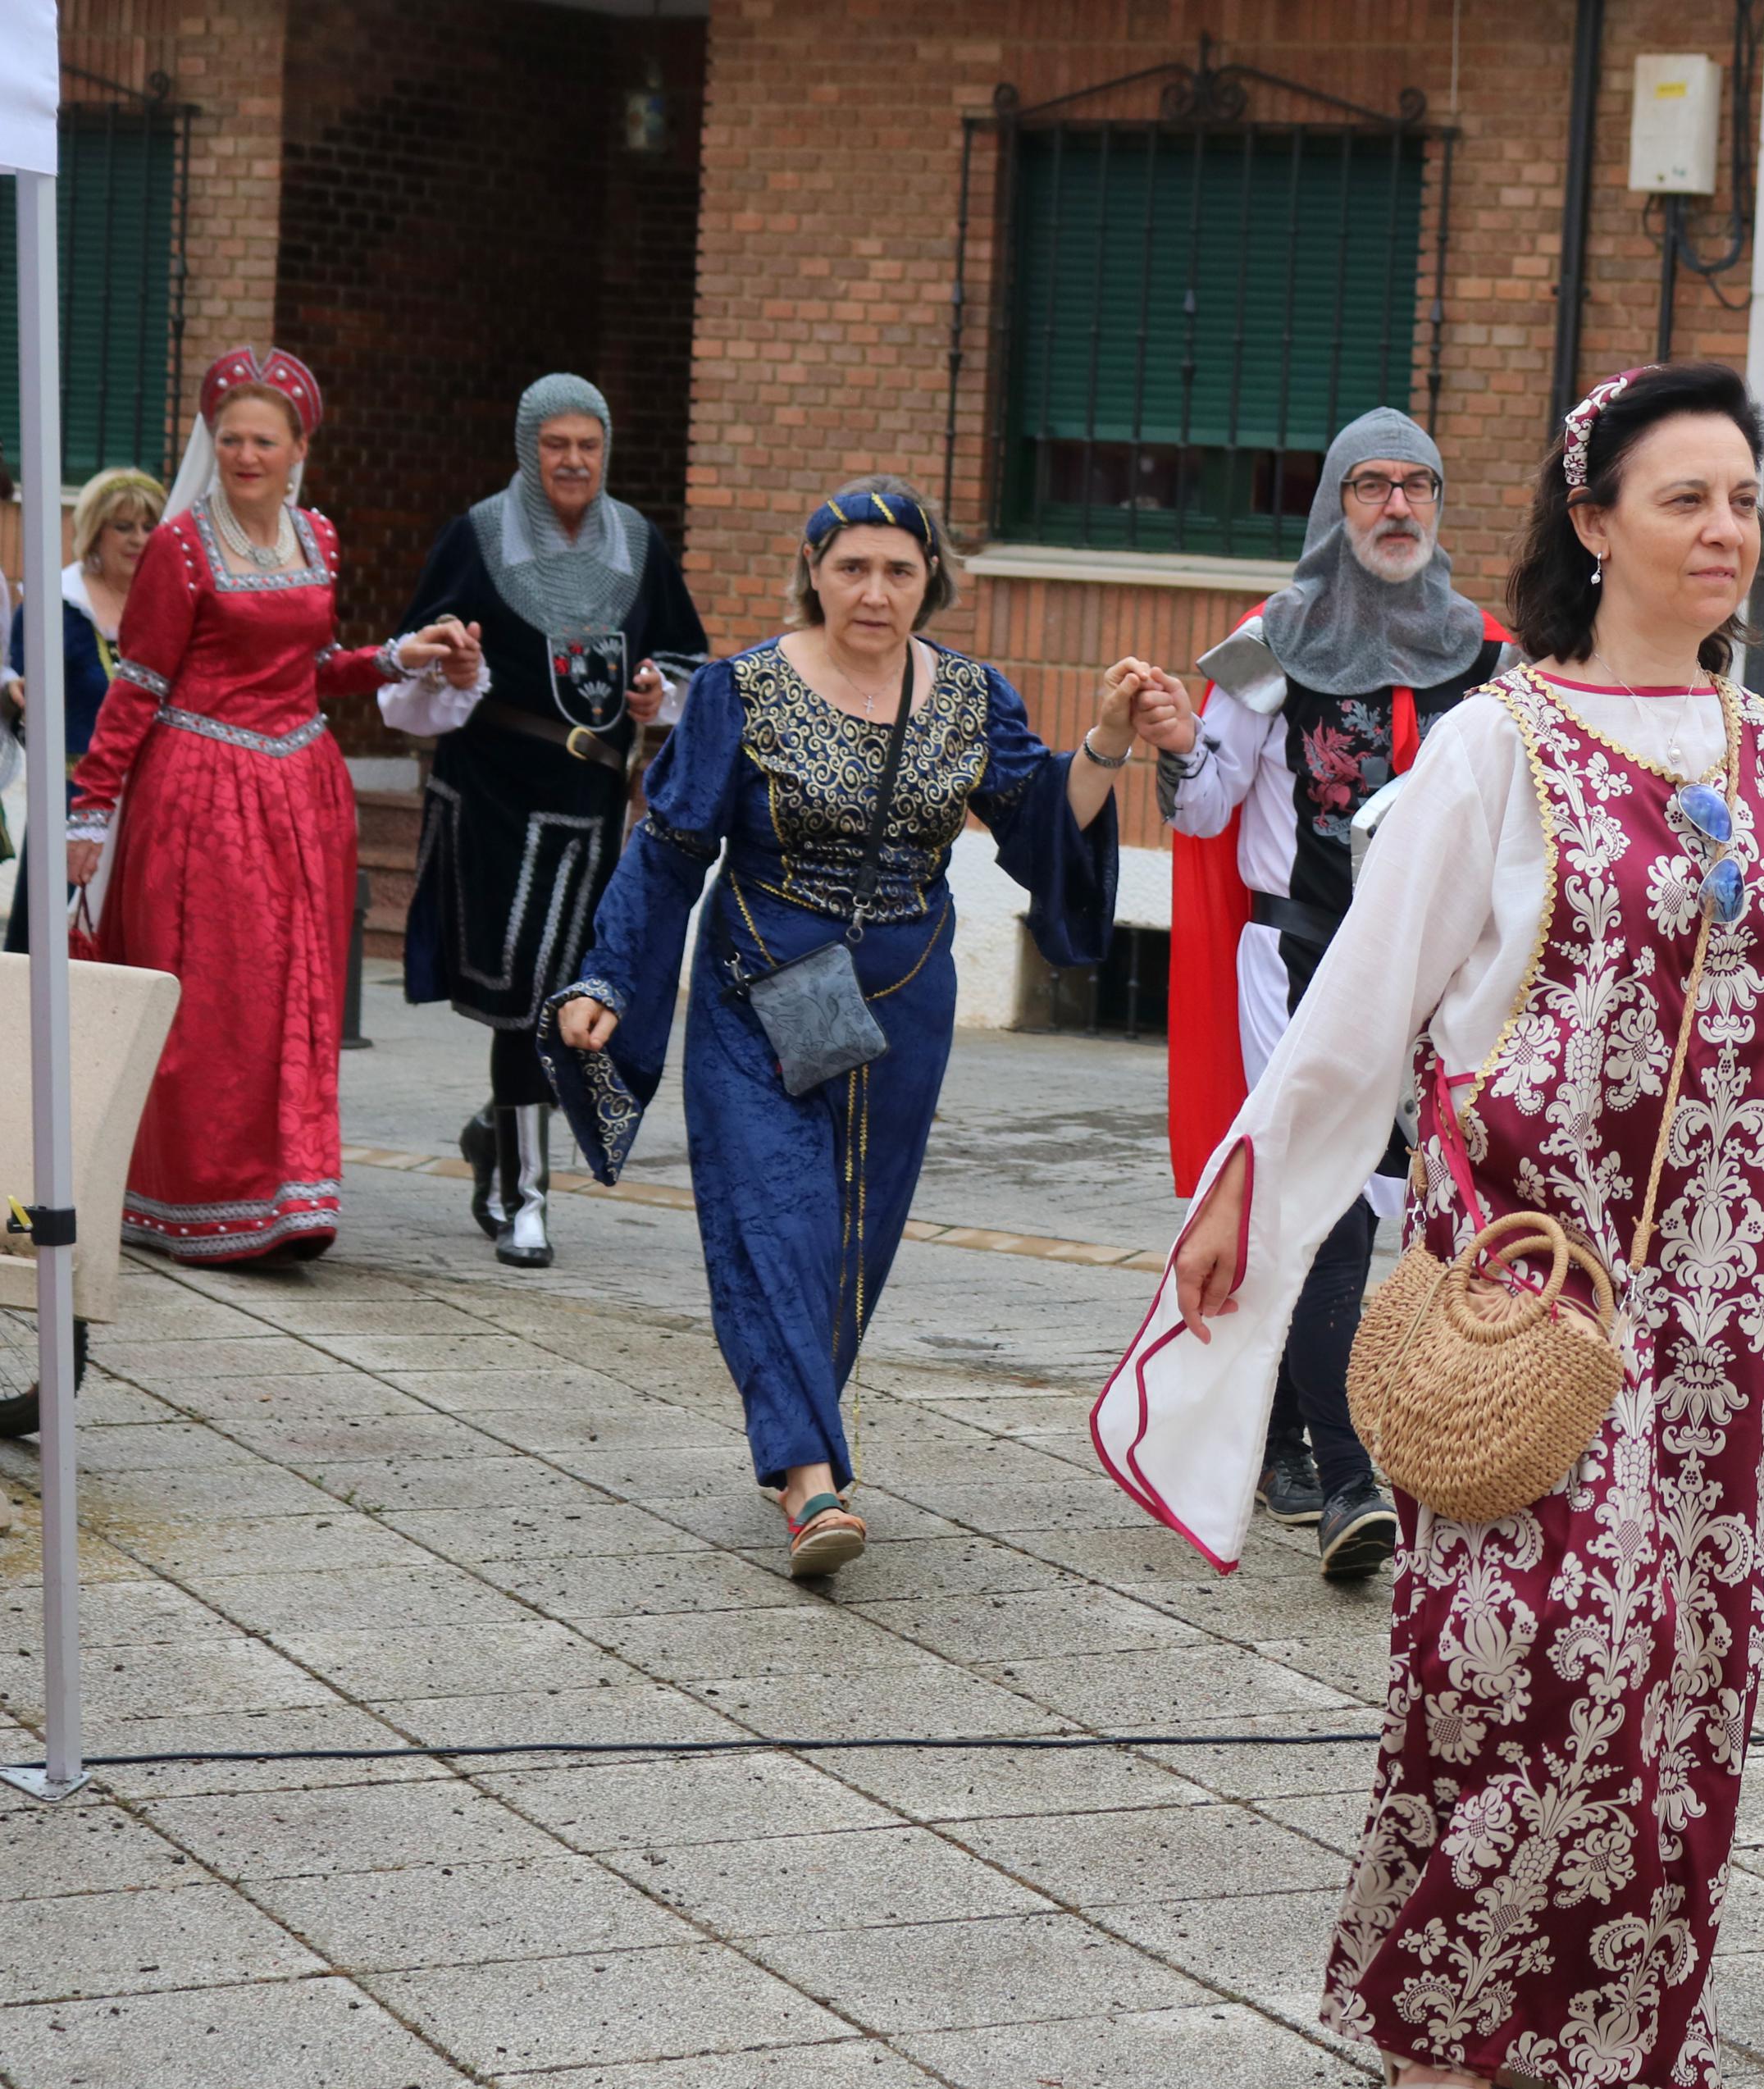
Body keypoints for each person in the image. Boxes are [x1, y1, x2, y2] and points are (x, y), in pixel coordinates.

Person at [1095, 362, 1764, 2089]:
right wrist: (1249, 1190)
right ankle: (1443, 2026)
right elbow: (1363, 1007)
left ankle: (1608, 2035)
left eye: (1741, 501)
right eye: (1682, 497)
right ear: (1594, 520)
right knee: (1510, 1649)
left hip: (1712, 1316)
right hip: (1527, 1282)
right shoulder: (1496, 744)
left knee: (1683, 1669)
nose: (1720, 532)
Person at [545, 477, 1119, 1578]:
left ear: (929, 581)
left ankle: (792, 1437)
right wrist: (608, 979)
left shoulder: (968, 696)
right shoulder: (739, 690)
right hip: (757, 992)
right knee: (775, 1217)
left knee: (850, 1239)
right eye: (851, 565)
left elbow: (1043, 829)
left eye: (899, 569)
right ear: (812, 571)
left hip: (905, 1001)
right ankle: (813, 1480)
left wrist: (1099, 742)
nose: (874, 589)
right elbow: (669, 849)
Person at [1124, 405, 1515, 1580]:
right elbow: (1201, 811)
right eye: (1369, 485)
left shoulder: (1491, 654)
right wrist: (1179, 739)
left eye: (1415, 486)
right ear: (1333, 506)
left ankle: (1290, 1435)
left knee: (1414, 1198)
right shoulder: (1262, 643)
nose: (1396, 506)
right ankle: (1351, 1475)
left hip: (1433, 970)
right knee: (1327, 1195)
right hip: (1295, 960)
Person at [69, 349, 479, 1263]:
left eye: (263, 439)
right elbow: (139, 684)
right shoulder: (181, 548)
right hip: (202, 796)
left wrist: (394, 657)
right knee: (218, 998)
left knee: (294, 995)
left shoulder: (318, 537)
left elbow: (309, 668)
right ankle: (201, 1201)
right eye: (229, 439)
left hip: (300, 794)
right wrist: (92, 809)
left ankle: (289, 1197)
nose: (245, 454)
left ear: (299, 446)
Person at [383, 373, 710, 1267]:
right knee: (524, 1001)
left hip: (592, 800)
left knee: (569, 998)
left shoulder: (637, 542)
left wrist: (656, 690)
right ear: (531, 449)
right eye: (557, 445)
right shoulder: (479, 536)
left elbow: (685, 651)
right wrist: (451, 664)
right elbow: (416, 650)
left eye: (588, 446)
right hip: (494, 793)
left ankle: (505, 1148)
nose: (573, 461)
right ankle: (521, 1192)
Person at [4, 464, 162, 952]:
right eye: (123, 526)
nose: (138, 539)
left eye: (148, 526)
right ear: (95, 531)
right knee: (49, 943)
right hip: (69, 800)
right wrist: (17, 692)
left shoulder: (167, 605)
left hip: (150, 803)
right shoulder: (55, 602)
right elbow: (15, 678)